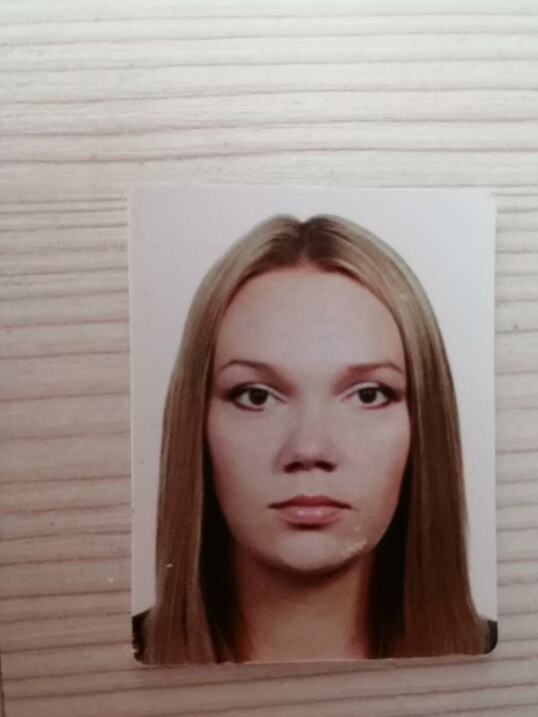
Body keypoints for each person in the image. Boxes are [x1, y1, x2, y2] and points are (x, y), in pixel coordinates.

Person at [133, 214, 497, 664]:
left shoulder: (506, 666)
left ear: (424, 426)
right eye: (256, 396)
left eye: (368, 395)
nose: (309, 449)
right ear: (197, 423)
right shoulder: (97, 668)